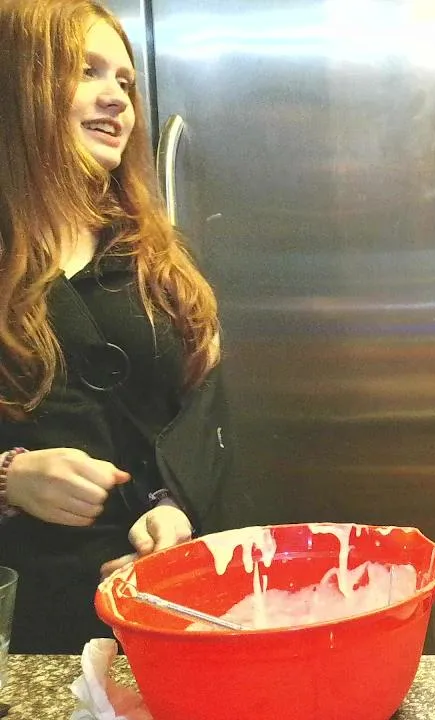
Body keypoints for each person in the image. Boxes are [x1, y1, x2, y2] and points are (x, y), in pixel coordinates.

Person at [0, 0, 232, 653]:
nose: (117, 100)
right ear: (19, 84)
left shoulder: (154, 260)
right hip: (26, 632)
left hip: (156, 620)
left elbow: (204, 416)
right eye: (87, 72)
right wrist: (10, 479)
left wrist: (174, 510)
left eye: (125, 82)